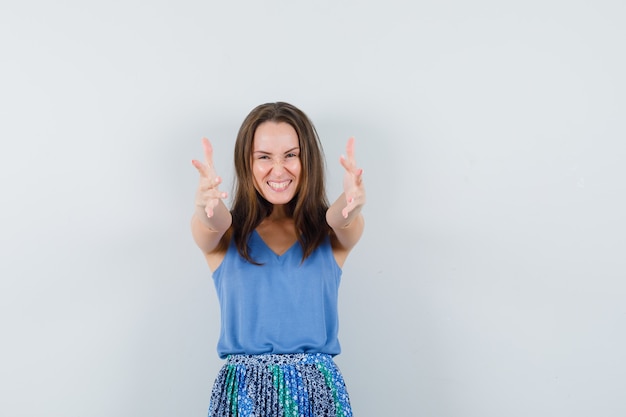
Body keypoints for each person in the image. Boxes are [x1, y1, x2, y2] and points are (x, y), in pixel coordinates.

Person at [191, 102, 365, 417]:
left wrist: (351, 201)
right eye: (264, 157)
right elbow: (211, 222)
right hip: (244, 396)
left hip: (317, 395)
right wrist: (206, 202)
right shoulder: (227, 235)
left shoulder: (329, 235)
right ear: (247, 162)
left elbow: (341, 219)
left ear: (306, 158)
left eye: (290, 155)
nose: (279, 169)